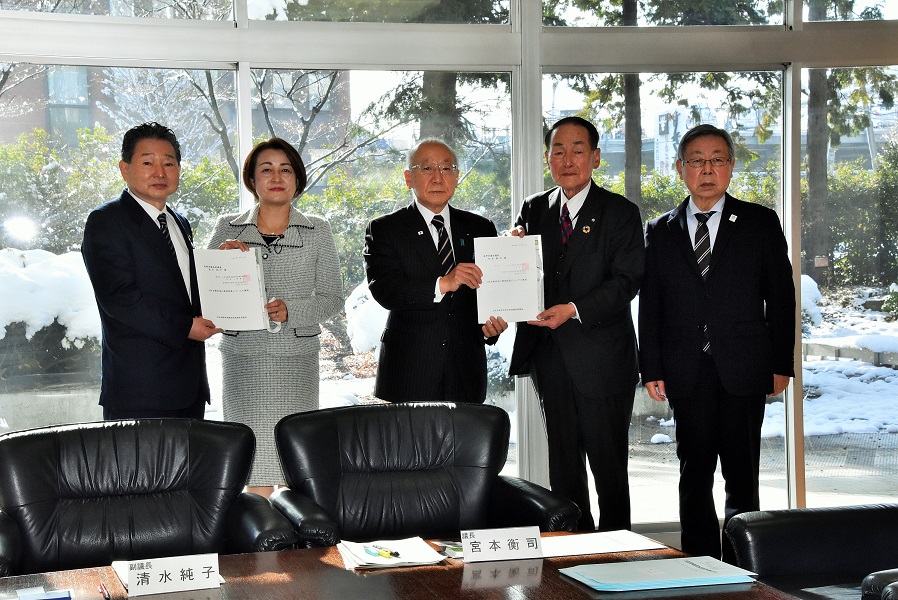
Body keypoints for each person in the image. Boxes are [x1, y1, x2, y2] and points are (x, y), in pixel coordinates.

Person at [638, 123, 796, 560]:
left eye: (717, 160)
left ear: (730, 167)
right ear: (680, 168)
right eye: (697, 160)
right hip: (686, 371)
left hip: (744, 368)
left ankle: (744, 570)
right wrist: (650, 368)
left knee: (742, 478)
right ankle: (701, 567)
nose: (707, 169)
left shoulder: (760, 222)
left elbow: (781, 297)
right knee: (694, 478)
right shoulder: (660, 229)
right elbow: (650, 305)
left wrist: (781, 362)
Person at [509, 116, 644, 532]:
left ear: (596, 157)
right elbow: (522, 272)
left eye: (578, 149)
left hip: (603, 360)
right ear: (547, 157)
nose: (567, 159)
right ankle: (573, 558)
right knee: (564, 469)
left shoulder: (620, 212)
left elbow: (626, 282)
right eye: (558, 150)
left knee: (609, 470)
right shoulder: (534, 208)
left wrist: (572, 308)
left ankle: (619, 552)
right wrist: (510, 252)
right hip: (550, 360)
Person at [208, 138, 343, 496]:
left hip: (295, 364)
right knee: (250, 464)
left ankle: (293, 550)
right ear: (252, 180)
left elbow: (333, 298)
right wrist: (223, 261)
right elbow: (206, 296)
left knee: (293, 464)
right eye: (265, 169)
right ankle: (260, 547)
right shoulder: (228, 228)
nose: (276, 176)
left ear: (297, 179)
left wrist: (292, 310)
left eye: (285, 169)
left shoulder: (318, 229)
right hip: (243, 363)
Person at [82, 122, 221, 420]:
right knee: (139, 469)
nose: (160, 172)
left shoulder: (178, 222)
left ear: (179, 169)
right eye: (148, 162)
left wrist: (223, 265)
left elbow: (179, 286)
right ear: (125, 168)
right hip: (141, 390)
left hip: (189, 387)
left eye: (168, 163)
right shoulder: (106, 221)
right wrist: (185, 327)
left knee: (190, 467)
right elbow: (120, 297)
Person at [364, 139, 508, 404]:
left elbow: (490, 291)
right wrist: (442, 283)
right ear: (409, 178)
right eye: (427, 168)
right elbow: (385, 289)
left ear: (457, 177)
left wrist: (491, 328)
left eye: (446, 168)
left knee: (466, 445)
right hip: (409, 370)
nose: (438, 177)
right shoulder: (385, 229)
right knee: (408, 446)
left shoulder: (480, 227)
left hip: (466, 370)